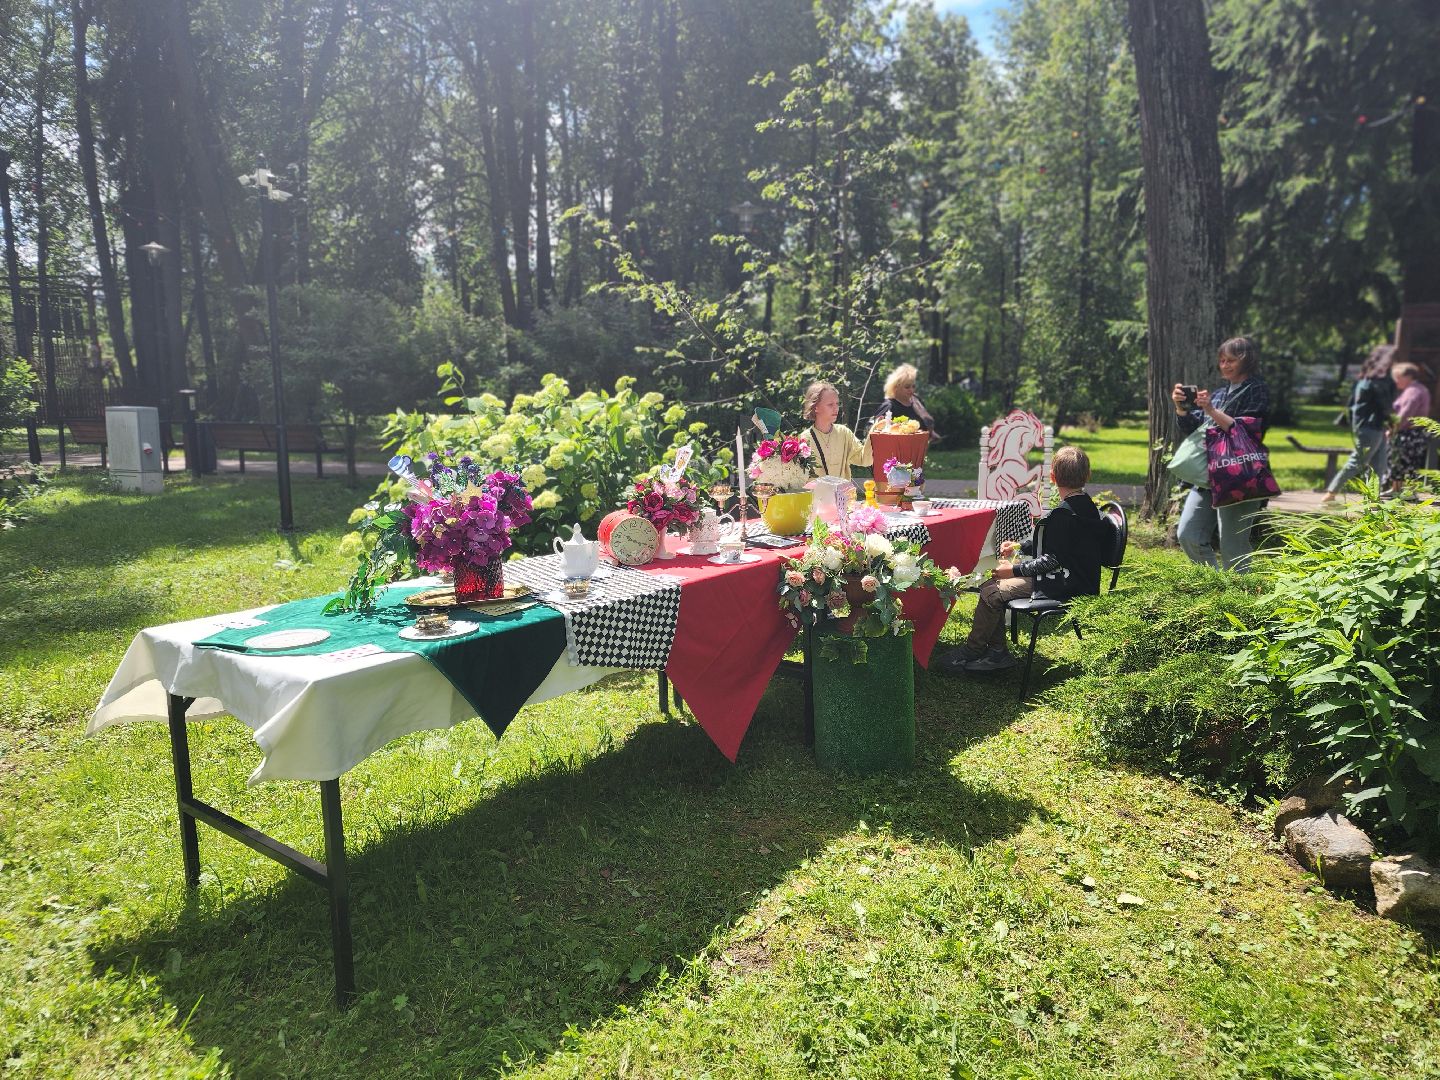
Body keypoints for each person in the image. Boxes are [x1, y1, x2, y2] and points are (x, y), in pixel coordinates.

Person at [935, 445, 1106, 674]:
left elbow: (1051, 559)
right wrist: (1020, 546)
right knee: (990, 588)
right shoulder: (1085, 507)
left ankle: (973, 650)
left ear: (1052, 477)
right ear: (1087, 475)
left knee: (991, 591)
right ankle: (996, 652)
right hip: (1075, 577)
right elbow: (1058, 545)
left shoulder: (1064, 514)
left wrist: (1014, 571)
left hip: (1065, 582)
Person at [1173, 336, 1271, 572]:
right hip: (1209, 476)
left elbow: (1246, 430)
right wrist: (1180, 407)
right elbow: (1196, 429)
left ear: (1246, 361)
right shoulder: (1219, 393)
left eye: (1231, 360)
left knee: (1233, 547)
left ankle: (1240, 599)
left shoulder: (1257, 390)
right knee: (1188, 534)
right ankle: (1218, 585)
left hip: (1240, 476)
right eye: (1222, 360)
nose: (1225, 365)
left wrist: (1210, 410)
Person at [1321, 345, 1396, 503]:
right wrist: (1392, 421)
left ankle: (1372, 497)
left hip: (1373, 426)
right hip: (1370, 427)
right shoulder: (1377, 381)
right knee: (1358, 461)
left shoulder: (1366, 378)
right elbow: (1386, 406)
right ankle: (1331, 493)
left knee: (1379, 464)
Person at [802, 380, 871, 480]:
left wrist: (874, 433)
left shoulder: (844, 433)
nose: (836, 408)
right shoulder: (805, 439)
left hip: (842, 495)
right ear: (816, 407)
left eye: (837, 404)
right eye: (830, 404)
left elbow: (864, 459)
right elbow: (800, 477)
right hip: (816, 495)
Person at [1387, 362, 1434, 496]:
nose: (1396, 381)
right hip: (1413, 433)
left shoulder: (1413, 391)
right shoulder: (1417, 389)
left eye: (1398, 377)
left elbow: (1405, 414)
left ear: (1408, 376)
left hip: (1409, 433)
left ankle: (1406, 491)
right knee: (1406, 461)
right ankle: (1397, 489)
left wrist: (1392, 429)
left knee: (1404, 461)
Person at [873, 363, 938, 439]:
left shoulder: (917, 401)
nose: (912, 390)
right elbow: (875, 429)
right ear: (896, 388)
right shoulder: (889, 405)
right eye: (907, 387)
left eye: (913, 386)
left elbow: (926, 423)